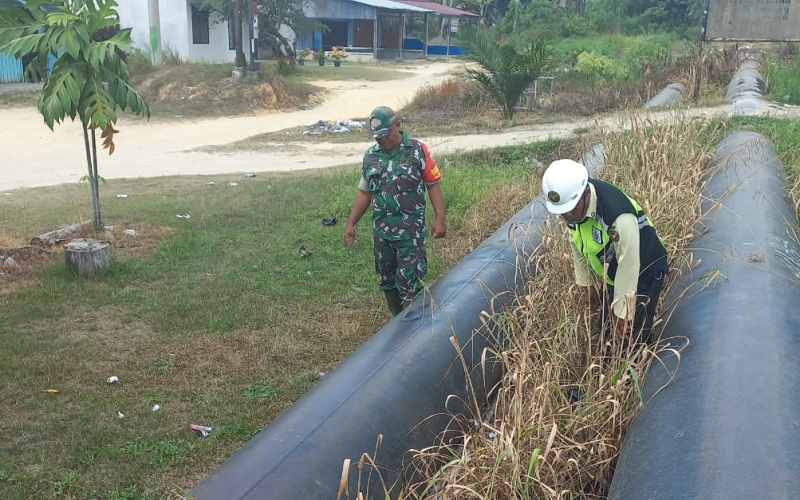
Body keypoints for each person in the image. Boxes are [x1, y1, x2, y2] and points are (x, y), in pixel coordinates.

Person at [541, 159, 668, 343]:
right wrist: (588, 284)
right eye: (563, 211)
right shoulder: (574, 210)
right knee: (606, 336)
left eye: (571, 209)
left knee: (631, 338)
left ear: (586, 193)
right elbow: (577, 242)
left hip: (644, 271)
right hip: (614, 275)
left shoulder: (616, 214)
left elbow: (629, 263)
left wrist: (623, 313)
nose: (567, 216)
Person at [344, 106, 447, 316]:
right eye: (377, 137)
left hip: (410, 232)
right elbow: (365, 192)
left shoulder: (417, 150)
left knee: (410, 282)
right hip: (382, 232)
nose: (381, 140)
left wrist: (440, 219)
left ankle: (416, 328)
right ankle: (396, 325)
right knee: (388, 279)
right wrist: (351, 223)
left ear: (398, 125)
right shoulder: (371, 156)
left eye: (385, 135)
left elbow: (433, 184)